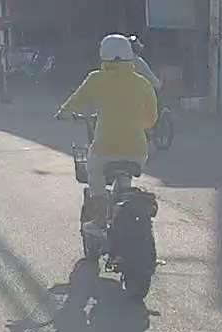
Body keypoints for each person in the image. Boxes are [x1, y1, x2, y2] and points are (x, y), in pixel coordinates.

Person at [56, 34, 158, 238]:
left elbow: (77, 100)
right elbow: (151, 118)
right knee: (126, 179)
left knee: (94, 172)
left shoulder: (97, 79)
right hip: (138, 152)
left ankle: (99, 222)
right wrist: (137, 124)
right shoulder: (142, 83)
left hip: (105, 148)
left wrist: (63, 112)